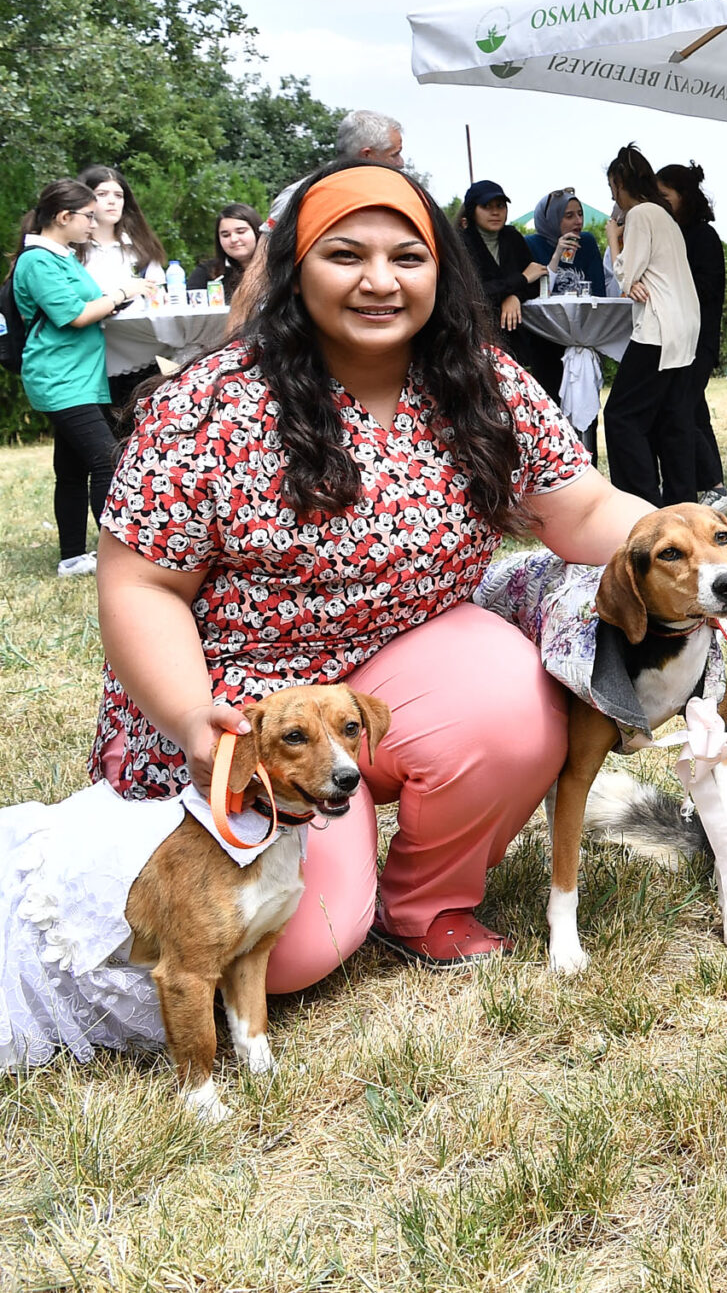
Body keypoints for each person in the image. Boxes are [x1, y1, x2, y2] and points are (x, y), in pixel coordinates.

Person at [93, 158, 657, 977]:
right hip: (244, 707)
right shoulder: (212, 403)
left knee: (514, 693)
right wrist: (190, 719)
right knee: (287, 952)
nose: (380, 281)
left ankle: (427, 902)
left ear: (440, 269)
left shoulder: (483, 381)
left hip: (409, 665)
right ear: (295, 268)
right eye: (346, 254)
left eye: (407, 257)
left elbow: (585, 511)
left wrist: (694, 542)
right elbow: (140, 583)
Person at [14, 179, 135, 576]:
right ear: (63, 217)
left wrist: (114, 300)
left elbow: (84, 306)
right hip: (59, 378)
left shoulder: (62, 256)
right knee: (107, 461)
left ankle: (72, 558)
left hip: (79, 377)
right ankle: (117, 560)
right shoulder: (37, 261)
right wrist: (121, 292)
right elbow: (76, 315)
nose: (93, 220)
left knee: (71, 471)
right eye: (87, 214)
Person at [233, 110, 406, 323]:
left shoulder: (401, 198)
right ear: (367, 155)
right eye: (394, 154)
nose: (401, 163)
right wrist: (234, 348)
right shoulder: (299, 196)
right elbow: (258, 273)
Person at [601, 143, 701, 507]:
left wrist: (615, 240)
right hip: (683, 324)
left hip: (659, 326)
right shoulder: (665, 216)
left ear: (619, 183)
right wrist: (634, 277)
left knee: (621, 415)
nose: (612, 196)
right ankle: (681, 500)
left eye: (612, 188)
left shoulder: (641, 214)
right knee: (671, 418)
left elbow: (627, 273)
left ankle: (639, 501)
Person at [657, 161, 727, 507]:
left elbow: (705, 291)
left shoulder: (702, 236)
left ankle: (714, 486)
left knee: (682, 409)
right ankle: (711, 484)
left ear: (683, 197)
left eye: (664, 196)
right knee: (691, 409)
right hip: (680, 337)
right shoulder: (676, 233)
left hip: (697, 339)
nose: (658, 204)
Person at [76, 164, 169, 409]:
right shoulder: (70, 251)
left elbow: (160, 297)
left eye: (118, 195)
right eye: (101, 194)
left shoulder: (140, 248)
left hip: (143, 361)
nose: (112, 202)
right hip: (88, 361)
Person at [454, 180, 560, 391]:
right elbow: (473, 292)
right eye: (487, 206)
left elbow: (535, 281)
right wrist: (520, 280)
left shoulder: (512, 237)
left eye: (500, 206)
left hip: (516, 339)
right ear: (472, 210)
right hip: (476, 337)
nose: (495, 212)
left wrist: (515, 297)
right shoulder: (460, 243)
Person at [526, 190, 616, 299]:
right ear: (552, 218)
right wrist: (557, 255)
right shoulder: (532, 245)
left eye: (580, 214)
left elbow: (599, 293)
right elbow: (538, 297)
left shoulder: (586, 242)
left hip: (586, 314)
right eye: (569, 216)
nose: (578, 221)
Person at [189, 204, 262, 300]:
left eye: (241, 232)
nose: (233, 239)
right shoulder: (207, 272)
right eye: (226, 235)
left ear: (257, 231)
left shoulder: (279, 267)